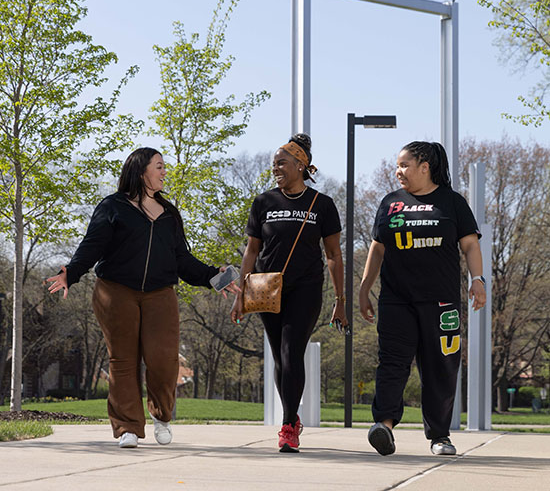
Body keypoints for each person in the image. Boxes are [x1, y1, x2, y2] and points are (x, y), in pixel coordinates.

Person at [47, 147, 238, 449]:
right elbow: (92, 246)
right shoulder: (113, 207)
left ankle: (161, 416)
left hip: (160, 294)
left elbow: (182, 260)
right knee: (123, 360)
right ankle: (128, 427)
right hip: (115, 291)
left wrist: (215, 276)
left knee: (163, 360)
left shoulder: (169, 214)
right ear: (141, 171)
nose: (164, 172)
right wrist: (70, 273)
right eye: (159, 166)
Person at [359, 141, 486, 457]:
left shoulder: (452, 202)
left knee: (440, 368)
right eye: (397, 165)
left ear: (425, 166)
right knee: (391, 363)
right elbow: (377, 249)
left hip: (441, 303)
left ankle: (440, 436)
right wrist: (363, 289)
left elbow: (470, 245)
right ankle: (384, 426)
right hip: (396, 300)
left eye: (404, 165)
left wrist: (478, 280)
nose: (398, 171)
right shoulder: (390, 203)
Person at [230, 133, 347, 453]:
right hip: (265, 288)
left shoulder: (322, 204)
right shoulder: (264, 202)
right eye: (273, 164)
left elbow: (334, 255)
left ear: (301, 165)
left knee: (292, 351)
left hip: (306, 288)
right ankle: (291, 420)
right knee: (281, 358)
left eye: (282, 163)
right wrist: (241, 293)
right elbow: (251, 251)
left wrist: (341, 300)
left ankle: (287, 425)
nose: (275, 168)